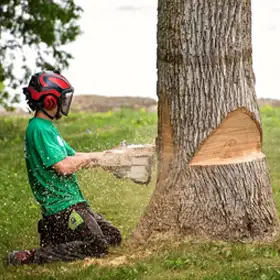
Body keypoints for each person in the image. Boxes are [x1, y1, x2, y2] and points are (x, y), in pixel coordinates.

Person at [7, 70, 122, 266]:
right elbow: (64, 166)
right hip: (62, 209)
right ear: (50, 100)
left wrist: (106, 156)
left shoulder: (48, 127)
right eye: (62, 98)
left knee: (113, 236)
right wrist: (93, 159)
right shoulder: (38, 128)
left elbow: (73, 156)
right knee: (97, 245)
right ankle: (31, 256)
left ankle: (55, 236)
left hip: (74, 204)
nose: (64, 103)